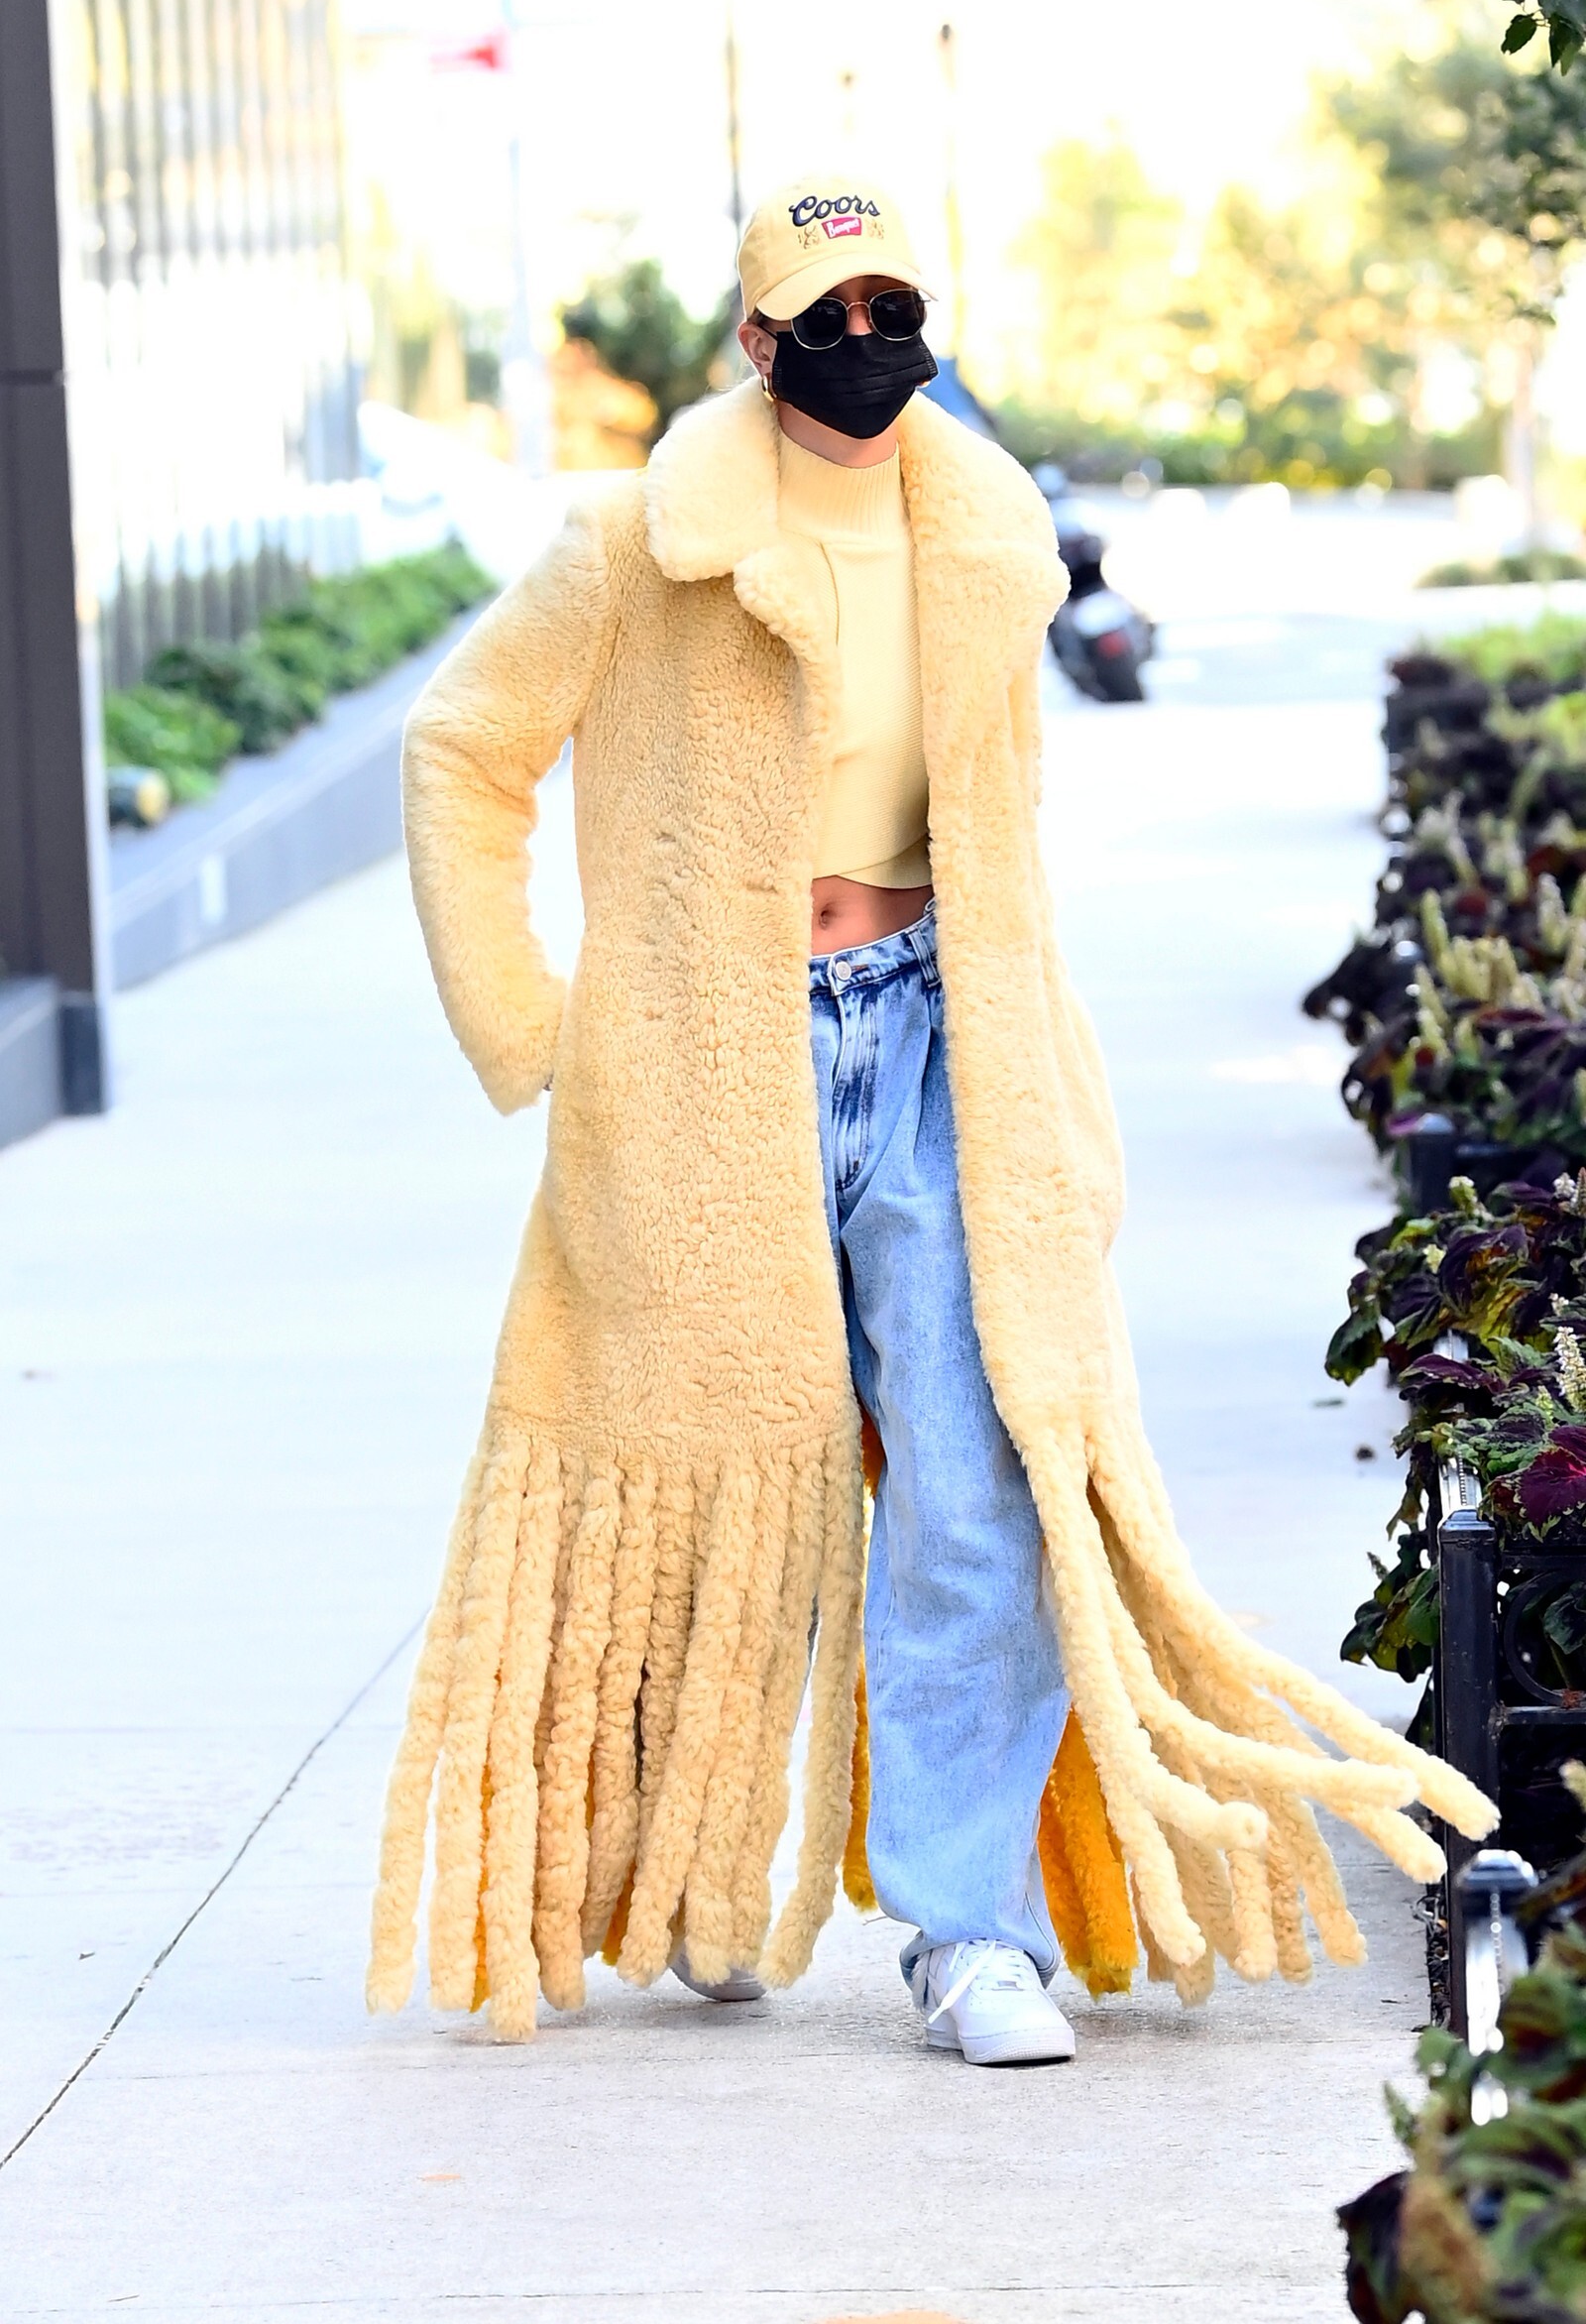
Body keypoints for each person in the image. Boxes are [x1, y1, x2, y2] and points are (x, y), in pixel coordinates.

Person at [367, 176, 1495, 2066]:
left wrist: (1049, 1066)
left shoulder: (984, 536)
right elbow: (460, 750)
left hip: (938, 1046)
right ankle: (694, 1876)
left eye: (893, 306)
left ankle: (970, 1933)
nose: (865, 339)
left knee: (978, 1483)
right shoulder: (634, 546)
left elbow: (1002, 836)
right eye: (828, 312)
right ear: (757, 340)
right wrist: (539, 1027)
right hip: (709, 1067)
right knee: (714, 1485)